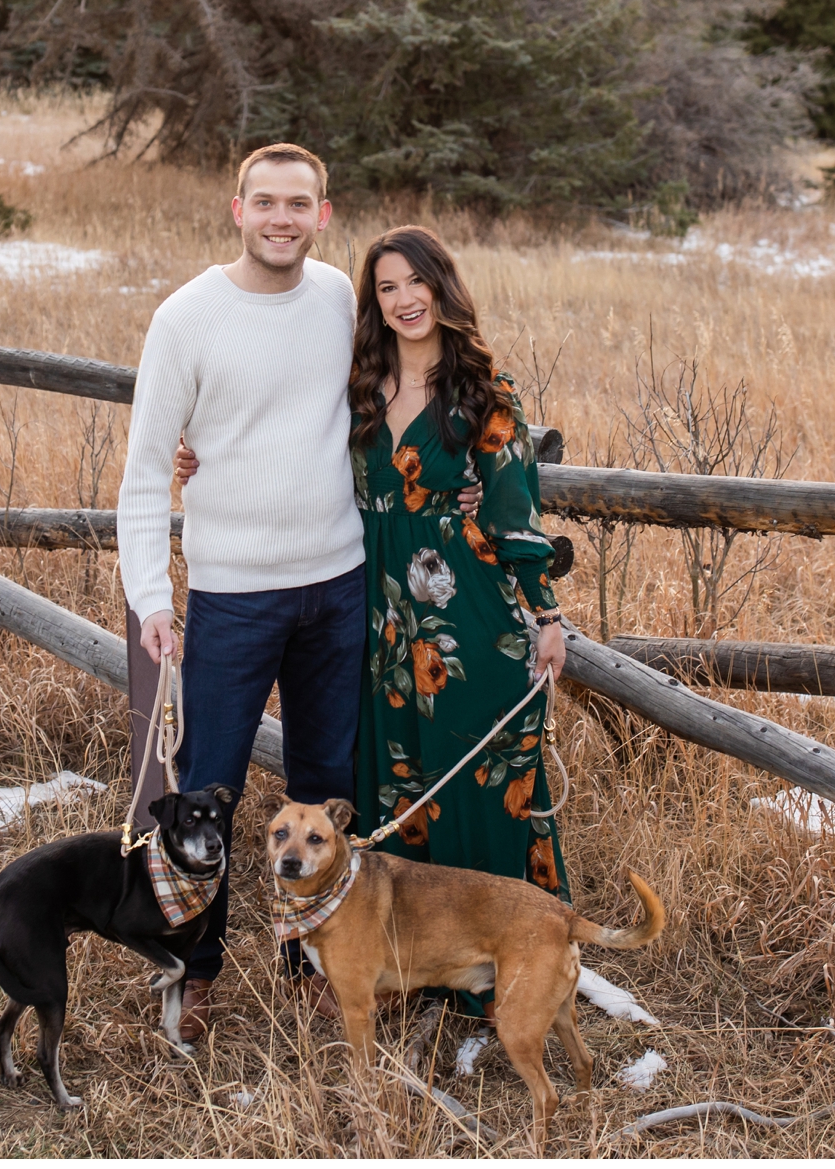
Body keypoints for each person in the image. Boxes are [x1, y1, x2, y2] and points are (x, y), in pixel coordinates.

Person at [115, 143, 366, 1041]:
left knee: (330, 785)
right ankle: (197, 969)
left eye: (299, 204)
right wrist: (152, 597)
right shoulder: (187, 318)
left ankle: (316, 964)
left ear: (323, 214)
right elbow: (147, 472)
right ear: (237, 209)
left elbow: (394, 401)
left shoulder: (342, 298)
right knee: (206, 793)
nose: (282, 219)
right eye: (265, 202)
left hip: (340, 584)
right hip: (231, 596)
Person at [346, 226, 570, 964]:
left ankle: (509, 958)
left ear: (443, 288)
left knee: (481, 780)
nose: (405, 299)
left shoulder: (483, 391)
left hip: (466, 612)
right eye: (387, 287)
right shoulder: (356, 388)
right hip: (380, 616)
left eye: (417, 281)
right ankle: (420, 958)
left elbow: (516, 514)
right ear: (373, 302)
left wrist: (545, 615)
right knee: (400, 775)